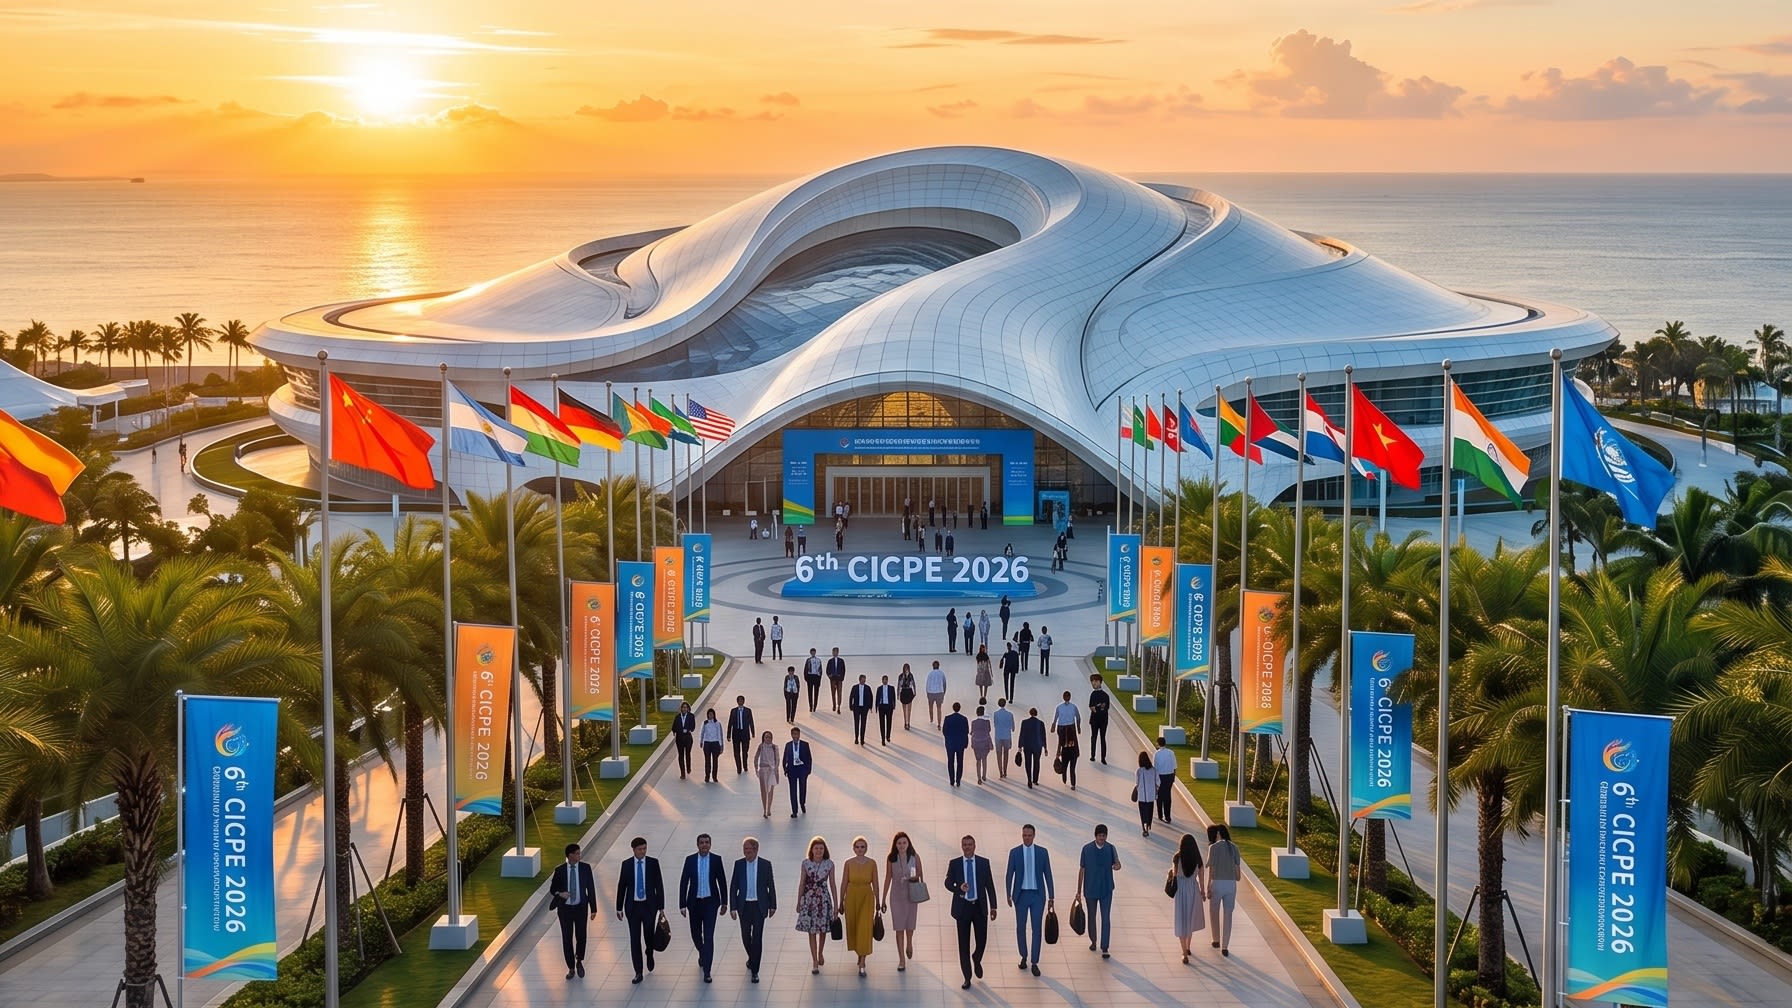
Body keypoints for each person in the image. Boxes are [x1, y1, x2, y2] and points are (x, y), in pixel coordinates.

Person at [946, 834, 998, 990]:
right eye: (965, 845)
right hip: (962, 908)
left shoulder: (983, 863)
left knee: (982, 941)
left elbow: (990, 885)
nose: (967, 847)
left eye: (970, 844)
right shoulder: (955, 863)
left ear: (975, 846)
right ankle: (967, 977)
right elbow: (947, 882)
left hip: (979, 908)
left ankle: (977, 958)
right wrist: (958, 888)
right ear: (962, 846)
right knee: (963, 945)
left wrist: (993, 906)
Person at [1004, 824, 1055, 976]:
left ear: (1034, 836)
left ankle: (1034, 962)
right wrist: (1008, 894)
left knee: (1036, 929)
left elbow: (1048, 874)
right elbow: (1009, 874)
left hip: (1037, 895)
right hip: (1020, 896)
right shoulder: (1015, 852)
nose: (1026, 838)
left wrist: (1051, 896)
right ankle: (1023, 956)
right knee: (1020, 927)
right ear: (1022, 835)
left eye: (1029, 835)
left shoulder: (1042, 852)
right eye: (1024, 835)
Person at [614, 836, 665, 984]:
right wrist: (618, 907)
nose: (642, 851)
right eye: (640, 849)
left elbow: (659, 885)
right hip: (633, 908)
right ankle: (638, 971)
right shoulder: (626, 865)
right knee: (634, 939)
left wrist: (661, 907)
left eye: (644, 848)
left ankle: (649, 953)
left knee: (649, 936)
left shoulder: (653, 863)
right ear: (633, 850)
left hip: (649, 907)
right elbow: (622, 886)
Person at [678, 833, 728, 983]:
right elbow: (684, 882)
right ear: (697, 845)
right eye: (702, 842)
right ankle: (702, 952)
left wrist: (724, 902)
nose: (704, 845)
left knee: (709, 936)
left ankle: (707, 971)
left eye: (707, 842)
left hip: (710, 904)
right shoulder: (690, 860)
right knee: (695, 934)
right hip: (694, 903)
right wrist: (682, 904)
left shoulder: (716, 860)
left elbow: (722, 881)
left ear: (710, 844)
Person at [730, 837, 776, 983]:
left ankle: (755, 970)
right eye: (745, 850)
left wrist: (773, 905)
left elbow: (771, 886)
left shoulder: (765, 865)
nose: (747, 853)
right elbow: (733, 886)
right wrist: (732, 907)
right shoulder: (738, 864)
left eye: (749, 850)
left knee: (757, 938)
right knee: (745, 936)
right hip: (744, 906)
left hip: (759, 906)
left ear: (756, 850)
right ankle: (752, 957)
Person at [551, 842, 598, 979]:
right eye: (577, 853)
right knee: (567, 938)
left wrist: (593, 908)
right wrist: (560, 894)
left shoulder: (585, 868)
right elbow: (553, 889)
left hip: (580, 909)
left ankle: (579, 960)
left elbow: (591, 888)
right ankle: (571, 967)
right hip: (565, 910)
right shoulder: (560, 870)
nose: (579, 855)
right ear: (570, 855)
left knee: (581, 936)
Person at [1075, 825, 1122, 957]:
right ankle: (1093, 940)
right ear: (1095, 836)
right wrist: (1078, 891)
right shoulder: (1086, 849)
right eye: (1100, 835)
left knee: (1106, 918)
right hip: (1090, 889)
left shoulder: (1111, 848)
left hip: (1106, 888)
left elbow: (1118, 863)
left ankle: (1105, 947)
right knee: (1092, 916)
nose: (1102, 838)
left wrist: (1117, 866)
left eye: (1104, 836)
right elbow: (1082, 869)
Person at [880, 831, 924, 971]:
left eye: (904, 842)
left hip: (911, 894)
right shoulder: (891, 858)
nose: (902, 845)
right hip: (896, 896)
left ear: (908, 843)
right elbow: (888, 877)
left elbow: (920, 873)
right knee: (899, 927)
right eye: (899, 843)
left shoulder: (914, 856)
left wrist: (913, 877)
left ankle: (909, 943)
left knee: (910, 924)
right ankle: (901, 960)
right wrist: (883, 898)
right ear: (895, 845)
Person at [794, 836, 838, 974]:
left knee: (823, 929)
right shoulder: (806, 863)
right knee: (811, 930)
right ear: (812, 850)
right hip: (809, 900)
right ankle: (814, 960)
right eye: (816, 848)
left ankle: (820, 952)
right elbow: (802, 883)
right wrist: (799, 901)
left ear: (824, 850)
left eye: (821, 848)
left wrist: (836, 904)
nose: (819, 851)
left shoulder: (829, 864)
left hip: (823, 900)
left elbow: (833, 885)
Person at [841, 836, 880, 976]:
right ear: (853, 848)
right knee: (854, 927)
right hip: (851, 897)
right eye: (857, 847)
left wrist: (878, 901)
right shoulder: (848, 863)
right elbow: (844, 882)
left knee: (865, 928)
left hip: (866, 897)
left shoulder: (872, 863)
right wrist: (840, 901)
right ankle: (859, 953)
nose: (860, 849)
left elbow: (875, 883)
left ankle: (862, 961)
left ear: (866, 848)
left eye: (862, 847)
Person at [1173, 833, 1209, 963]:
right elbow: (1201, 878)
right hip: (1193, 889)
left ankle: (1184, 953)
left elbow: (1175, 875)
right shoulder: (1197, 859)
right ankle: (1188, 947)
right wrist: (1203, 892)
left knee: (1181, 919)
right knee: (1190, 918)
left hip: (1180, 890)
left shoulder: (1177, 857)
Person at [1204, 825, 1239, 957]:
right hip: (1231, 884)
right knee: (1228, 915)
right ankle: (1225, 946)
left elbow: (1211, 870)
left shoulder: (1213, 848)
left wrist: (1208, 887)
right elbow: (1238, 875)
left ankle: (1216, 939)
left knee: (1214, 911)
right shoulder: (1234, 848)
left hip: (1217, 883)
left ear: (1218, 833)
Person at [782, 727, 814, 817]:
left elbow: (809, 758)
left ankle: (802, 803)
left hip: (802, 769)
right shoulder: (788, 745)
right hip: (792, 770)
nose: (795, 736)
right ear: (791, 735)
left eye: (797, 734)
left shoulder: (805, 744)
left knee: (802, 788)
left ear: (799, 735)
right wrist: (785, 769)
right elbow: (785, 757)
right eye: (794, 734)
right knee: (793, 790)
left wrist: (808, 770)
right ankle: (794, 811)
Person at [1054, 692, 1081, 790]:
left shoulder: (1061, 707)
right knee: (1071, 768)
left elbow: (1056, 717)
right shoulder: (1072, 707)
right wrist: (1078, 727)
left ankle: (1065, 778)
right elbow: (1078, 717)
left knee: (1066, 765)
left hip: (1063, 727)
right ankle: (1072, 783)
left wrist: (1058, 752)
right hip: (1068, 727)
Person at [942, 702, 970, 786]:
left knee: (950, 762)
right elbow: (966, 731)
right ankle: (958, 780)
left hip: (950, 743)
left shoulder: (947, 718)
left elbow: (944, 731)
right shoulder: (964, 719)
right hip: (960, 743)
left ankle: (951, 780)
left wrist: (948, 739)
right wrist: (965, 742)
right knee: (960, 762)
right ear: (959, 708)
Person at [1018, 707, 1047, 787]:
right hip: (1037, 746)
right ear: (1036, 714)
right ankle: (1035, 780)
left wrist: (1020, 746)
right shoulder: (1040, 723)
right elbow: (1043, 736)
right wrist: (1045, 747)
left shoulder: (1024, 722)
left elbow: (1022, 734)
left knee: (1028, 762)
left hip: (1027, 745)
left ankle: (1029, 779)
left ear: (1030, 713)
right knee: (1036, 762)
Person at [753, 730, 780, 818]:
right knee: (763, 791)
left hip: (771, 771)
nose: (768, 739)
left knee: (770, 791)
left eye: (769, 737)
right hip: (763, 771)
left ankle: (769, 809)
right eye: (766, 737)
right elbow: (756, 757)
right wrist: (756, 768)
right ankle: (764, 809)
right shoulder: (761, 746)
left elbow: (777, 759)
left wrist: (775, 768)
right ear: (763, 738)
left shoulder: (774, 747)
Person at [728, 696, 756, 774]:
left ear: (744, 701)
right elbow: (730, 723)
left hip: (745, 734)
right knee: (736, 752)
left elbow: (751, 721)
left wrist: (753, 732)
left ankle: (745, 766)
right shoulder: (733, 711)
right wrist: (728, 734)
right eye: (739, 701)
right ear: (737, 702)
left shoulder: (748, 711)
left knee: (745, 752)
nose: (740, 702)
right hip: (736, 734)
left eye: (741, 700)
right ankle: (739, 768)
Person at [1135, 751, 1160, 837]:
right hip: (1151, 796)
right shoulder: (1153, 770)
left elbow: (1137, 783)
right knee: (1149, 811)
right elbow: (1158, 782)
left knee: (1143, 813)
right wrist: (1155, 789)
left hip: (1141, 796)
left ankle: (1144, 827)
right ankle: (1148, 825)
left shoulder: (1139, 771)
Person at [1088, 674, 1112, 764]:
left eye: (1095, 681)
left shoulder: (1105, 695)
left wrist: (1097, 707)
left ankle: (1103, 757)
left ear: (1099, 682)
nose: (1093, 683)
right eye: (1092, 681)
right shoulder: (1093, 694)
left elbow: (1105, 707)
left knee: (1102, 738)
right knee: (1094, 737)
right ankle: (1093, 755)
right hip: (1095, 719)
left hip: (1103, 720)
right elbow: (1092, 707)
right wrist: (1099, 707)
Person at [1155, 737, 1178, 825]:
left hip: (1160, 776)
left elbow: (1155, 767)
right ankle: (1167, 816)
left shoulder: (1157, 753)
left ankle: (1160, 815)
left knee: (1159, 796)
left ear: (1158, 744)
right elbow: (1174, 766)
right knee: (1167, 795)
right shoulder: (1171, 752)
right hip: (1169, 776)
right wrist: (1173, 777)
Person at [670, 702, 696, 780]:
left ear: (688, 708)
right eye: (683, 707)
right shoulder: (677, 717)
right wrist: (676, 731)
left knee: (687, 753)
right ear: (681, 708)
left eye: (686, 707)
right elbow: (674, 727)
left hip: (688, 738)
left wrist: (687, 729)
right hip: (679, 738)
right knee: (681, 755)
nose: (684, 709)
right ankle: (682, 773)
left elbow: (693, 727)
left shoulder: (691, 716)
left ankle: (688, 767)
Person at [970, 705, 994, 784]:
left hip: (976, 743)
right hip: (985, 742)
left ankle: (979, 777)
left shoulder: (973, 722)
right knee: (984, 759)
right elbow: (988, 731)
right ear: (983, 713)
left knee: (978, 760)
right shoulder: (987, 722)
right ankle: (984, 775)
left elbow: (972, 732)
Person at [992, 698, 1015, 780]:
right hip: (1007, 736)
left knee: (999, 754)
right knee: (1006, 754)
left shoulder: (995, 714)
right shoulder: (1010, 714)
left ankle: (1000, 772)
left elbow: (995, 724)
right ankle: (1005, 770)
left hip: (998, 736)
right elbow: (1013, 728)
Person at [699, 707, 724, 782]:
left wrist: (721, 745)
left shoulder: (717, 723)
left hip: (715, 743)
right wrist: (701, 741)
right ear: (707, 715)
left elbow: (719, 734)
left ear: (714, 715)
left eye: (712, 714)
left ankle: (714, 776)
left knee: (715, 760)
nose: (710, 716)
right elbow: (702, 732)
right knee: (707, 760)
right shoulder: (705, 723)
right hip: (707, 743)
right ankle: (707, 776)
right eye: (709, 714)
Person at [848, 674, 874, 746]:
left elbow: (871, 697)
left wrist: (870, 706)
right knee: (856, 723)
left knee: (863, 723)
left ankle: (862, 739)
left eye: (864, 679)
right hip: (856, 708)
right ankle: (856, 738)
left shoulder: (868, 688)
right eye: (862, 679)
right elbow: (851, 697)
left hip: (864, 708)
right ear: (859, 680)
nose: (864, 681)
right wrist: (851, 706)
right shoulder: (855, 687)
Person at [874, 674, 897, 745]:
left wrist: (894, 705)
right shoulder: (879, 688)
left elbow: (894, 697)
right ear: (882, 680)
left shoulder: (891, 688)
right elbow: (877, 698)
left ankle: (888, 736)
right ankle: (883, 739)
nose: (885, 681)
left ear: (887, 680)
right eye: (883, 680)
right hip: (881, 707)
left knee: (889, 722)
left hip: (889, 707)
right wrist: (876, 707)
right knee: (882, 723)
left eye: (886, 680)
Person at [924, 660, 947, 727]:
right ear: (939, 666)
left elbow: (927, 684)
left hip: (930, 692)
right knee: (939, 708)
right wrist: (943, 692)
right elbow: (944, 683)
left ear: (932, 666)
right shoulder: (941, 673)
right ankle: (939, 723)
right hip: (939, 692)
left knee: (930, 707)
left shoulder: (930, 674)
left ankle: (931, 719)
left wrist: (927, 693)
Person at [825, 646, 847, 713]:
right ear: (832, 652)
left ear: (838, 652)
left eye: (836, 652)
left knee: (839, 693)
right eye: (833, 652)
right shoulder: (830, 661)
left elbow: (844, 670)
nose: (835, 653)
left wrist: (842, 678)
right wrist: (830, 676)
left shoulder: (841, 660)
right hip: (833, 679)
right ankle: (834, 705)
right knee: (833, 693)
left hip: (839, 679)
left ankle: (839, 706)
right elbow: (827, 670)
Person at [802, 648, 824, 712]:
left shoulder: (818, 660)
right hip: (810, 677)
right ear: (810, 653)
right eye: (812, 652)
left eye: (814, 652)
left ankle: (815, 706)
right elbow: (805, 669)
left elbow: (820, 670)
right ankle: (810, 706)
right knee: (810, 692)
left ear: (815, 652)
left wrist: (819, 678)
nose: (813, 653)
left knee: (816, 692)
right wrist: (806, 678)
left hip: (816, 677)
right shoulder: (808, 660)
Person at [897, 663, 918, 730]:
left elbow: (913, 683)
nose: (906, 669)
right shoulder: (901, 676)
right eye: (905, 668)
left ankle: (908, 722)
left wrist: (915, 691)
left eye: (907, 668)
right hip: (903, 692)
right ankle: (905, 722)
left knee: (909, 710)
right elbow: (899, 685)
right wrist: (898, 694)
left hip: (909, 691)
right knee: (904, 710)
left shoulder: (911, 675)